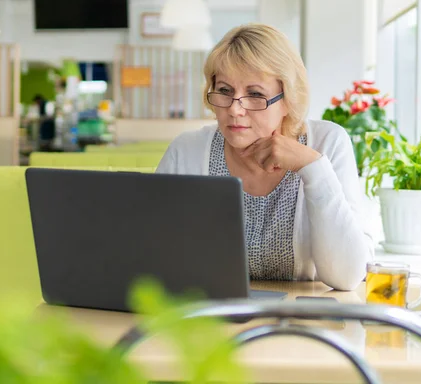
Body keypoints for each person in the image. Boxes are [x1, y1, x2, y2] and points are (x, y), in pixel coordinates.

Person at [156, 23, 373, 291]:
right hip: (211, 325)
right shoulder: (186, 151)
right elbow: (153, 258)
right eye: (224, 91)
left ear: (288, 99)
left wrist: (313, 168)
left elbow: (347, 276)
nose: (235, 109)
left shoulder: (328, 144)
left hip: (305, 322)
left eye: (255, 94)